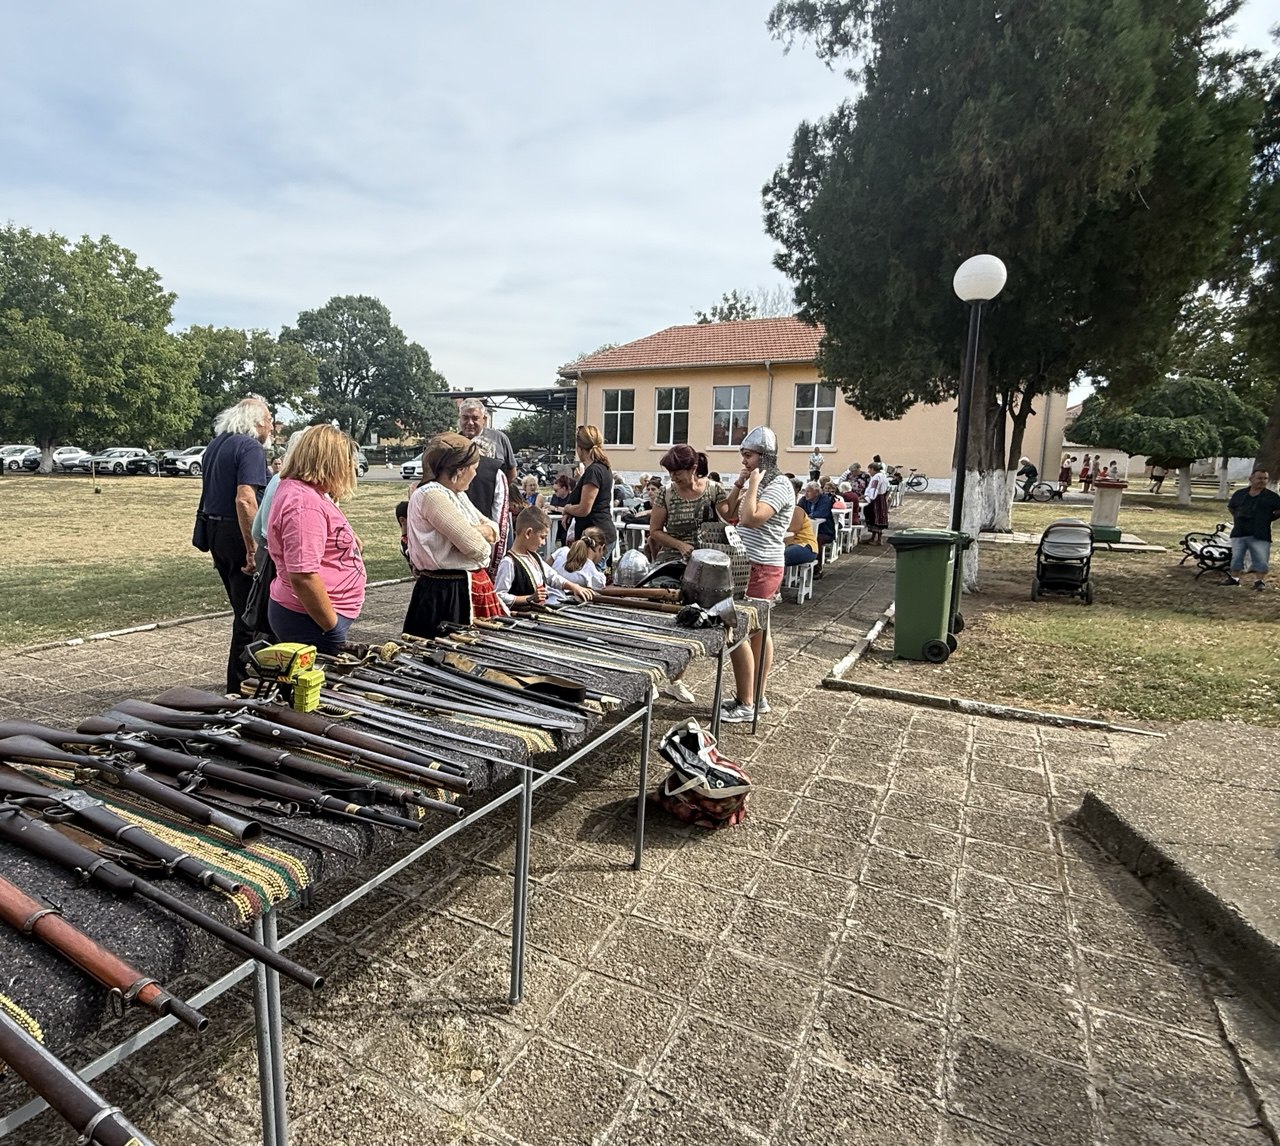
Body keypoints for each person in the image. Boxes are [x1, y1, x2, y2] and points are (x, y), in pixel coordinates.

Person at [266, 425, 366, 653]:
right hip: (311, 619)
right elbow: (303, 576)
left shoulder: (304, 491)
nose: (349, 469)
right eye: (346, 463)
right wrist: (332, 627)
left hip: (313, 616)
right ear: (330, 463)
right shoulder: (304, 503)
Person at [197, 395, 272, 693]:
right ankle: (239, 685)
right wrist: (253, 548)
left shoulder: (216, 445)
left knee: (243, 608)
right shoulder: (250, 446)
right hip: (237, 532)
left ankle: (248, 678)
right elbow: (245, 499)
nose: (270, 427)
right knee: (250, 614)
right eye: (268, 420)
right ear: (255, 422)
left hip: (215, 531)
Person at [721, 425, 795, 723]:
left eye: (749, 455)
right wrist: (740, 484)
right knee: (757, 630)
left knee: (744, 630)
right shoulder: (758, 481)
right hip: (747, 563)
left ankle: (748, 702)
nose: (744, 460)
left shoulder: (779, 485)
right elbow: (729, 514)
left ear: (764, 457)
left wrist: (753, 485)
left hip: (762, 565)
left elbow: (751, 519)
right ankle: (754, 697)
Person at [402, 433, 507, 637]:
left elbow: (494, 529)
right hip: (447, 593)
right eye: (474, 468)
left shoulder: (457, 494)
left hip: (463, 585)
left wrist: (471, 532)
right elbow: (478, 548)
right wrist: (477, 535)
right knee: (447, 649)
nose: (475, 474)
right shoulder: (432, 495)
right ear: (460, 470)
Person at [494, 506, 595, 609]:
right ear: (528, 533)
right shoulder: (509, 562)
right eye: (542, 537)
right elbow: (499, 596)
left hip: (538, 612)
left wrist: (574, 587)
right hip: (521, 615)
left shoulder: (534, 557)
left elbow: (552, 577)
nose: (544, 543)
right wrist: (529, 598)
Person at [456, 399, 513, 576]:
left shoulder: (499, 438)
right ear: (459, 418)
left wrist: (498, 489)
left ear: (484, 419)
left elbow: (511, 471)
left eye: (475, 418)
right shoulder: (453, 443)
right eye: (465, 417)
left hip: (491, 503)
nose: (470, 423)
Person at [648, 444, 728, 564]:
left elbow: (729, 517)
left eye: (677, 473)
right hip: (674, 559)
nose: (672, 478)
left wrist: (740, 486)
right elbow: (655, 531)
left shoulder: (714, 489)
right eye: (670, 473)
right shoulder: (665, 493)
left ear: (693, 469)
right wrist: (680, 545)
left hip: (710, 560)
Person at [560, 425, 617, 554]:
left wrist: (567, 508)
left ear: (580, 448)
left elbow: (584, 509)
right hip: (600, 534)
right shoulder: (603, 467)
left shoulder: (593, 471)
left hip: (596, 538)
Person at [1224, 468, 1280, 590]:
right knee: (1237, 557)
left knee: (1261, 559)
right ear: (1251, 479)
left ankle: (1259, 581)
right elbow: (1231, 507)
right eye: (1259, 478)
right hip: (1240, 531)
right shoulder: (1240, 494)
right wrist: (1239, 517)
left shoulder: (1272, 496)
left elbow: (1278, 510)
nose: (1262, 481)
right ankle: (1234, 579)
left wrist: (1266, 519)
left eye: (1265, 478)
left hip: (1260, 532)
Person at [550, 526, 609, 600]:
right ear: (601, 548)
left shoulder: (561, 551)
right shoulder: (595, 576)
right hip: (566, 603)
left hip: (546, 598)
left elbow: (543, 568)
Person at [798, 480, 836, 574]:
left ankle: (817, 568)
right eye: (805, 491)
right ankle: (797, 566)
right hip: (807, 530)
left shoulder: (825, 500)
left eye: (808, 491)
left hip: (825, 531)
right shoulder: (803, 500)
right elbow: (797, 512)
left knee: (816, 539)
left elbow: (821, 513)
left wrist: (806, 516)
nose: (806, 494)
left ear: (816, 492)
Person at [862, 461, 891, 544]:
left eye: (869, 470)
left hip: (876, 499)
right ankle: (873, 537)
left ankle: (878, 539)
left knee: (876, 517)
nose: (869, 472)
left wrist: (868, 497)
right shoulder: (883, 475)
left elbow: (874, 489)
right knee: (877, 517)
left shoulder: (877, 477)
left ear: (873, 469)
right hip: (881, 498)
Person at [784, 503, 820, 568]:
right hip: (789, 545)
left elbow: (791, 534)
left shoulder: (797, 510)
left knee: (778, 556)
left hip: (806, 546)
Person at [547, 472, 574, 546]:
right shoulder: (555, 497)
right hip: (555, 524)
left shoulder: (571, 497)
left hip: (566, 525)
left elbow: (570, 509)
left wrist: (555, 508)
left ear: (564, 488)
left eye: (556, 490)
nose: (555, 493)